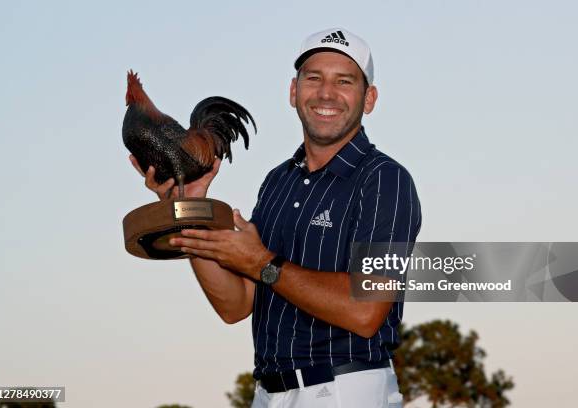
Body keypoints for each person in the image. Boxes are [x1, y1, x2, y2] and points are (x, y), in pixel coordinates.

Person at [131, 27, 421, 408]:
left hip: (345, 390)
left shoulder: (385, 179)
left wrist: (264, 264)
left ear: (369, 99)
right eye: (313, 78)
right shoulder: (277, 182)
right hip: (269, 394)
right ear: (293, 92)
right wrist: (189, 209)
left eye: (344, 81)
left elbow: (366, 310)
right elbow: (236, 305)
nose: (326, 93)